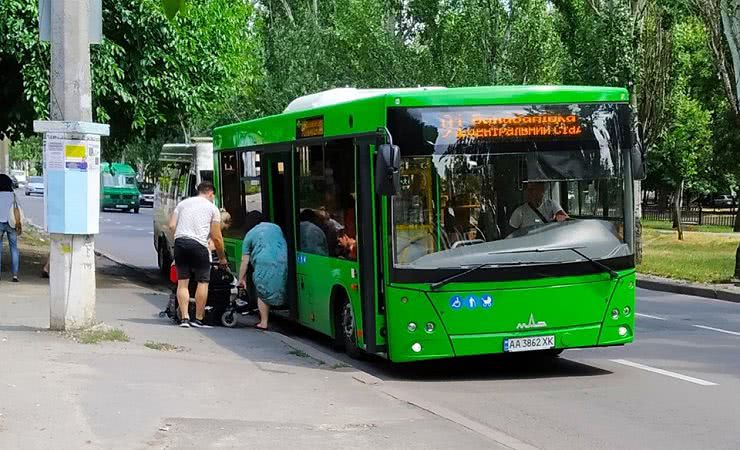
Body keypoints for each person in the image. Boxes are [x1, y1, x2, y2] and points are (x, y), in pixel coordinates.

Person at [168, 181, 227, 328]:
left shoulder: (183, 204)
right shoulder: (212, 209)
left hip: (180, 244)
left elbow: (171, 225)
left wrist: (180, 237)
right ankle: (199, 319)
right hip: (199, 246)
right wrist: (222, 258)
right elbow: (217, 237)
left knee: (183, 282)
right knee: (203, 282)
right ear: (210, 193)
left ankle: (185, 318)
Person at [238, 212, 287, 331]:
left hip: (263, 262)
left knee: (262, 292)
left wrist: (241, 279)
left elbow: (245, 261)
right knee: (278, 282)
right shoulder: (276, 227)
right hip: (282, 259)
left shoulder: (249, 234)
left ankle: (264, 322)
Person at [0, 174, 20, 282]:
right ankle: (15, 275)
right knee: (14, 248)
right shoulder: (13, 195)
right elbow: (18, 208)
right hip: (11, 224)